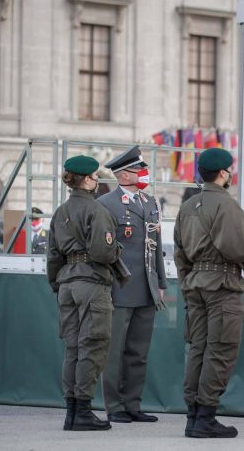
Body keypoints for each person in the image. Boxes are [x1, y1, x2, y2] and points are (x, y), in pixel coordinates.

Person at [174, 147, 244, 439]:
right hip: (222, 285)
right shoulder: (228, 206)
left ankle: (193, 415)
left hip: (196, 284)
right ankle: (206, 416)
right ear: (223, 173)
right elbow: (238, 249)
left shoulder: (187, 206)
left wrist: (188, 282)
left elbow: (180, 253)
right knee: (220, 350)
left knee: (198, 348)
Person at [46, 155, 121, 432]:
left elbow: (53, 256)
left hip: (67, 283)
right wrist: (115, 253)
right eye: (94, 176)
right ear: (87, 179)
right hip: (91, 282)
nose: (97, 180)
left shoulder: (60, 212)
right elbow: (103, 251)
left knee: (73, 347)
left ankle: (72, 413)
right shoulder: (96, 210)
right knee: (93, 345)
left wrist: (58, 283)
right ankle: (84, 411)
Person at [97, 145, 166, 424]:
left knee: (138, 351)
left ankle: (133, 403)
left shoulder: (149, 203)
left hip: (147, 287)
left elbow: (155, 245)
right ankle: (114, 406)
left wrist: (160, 281)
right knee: (115, 352)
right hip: (119, 287)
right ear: (123, 176)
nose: (143, 174)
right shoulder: (106, 204)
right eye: (138, 170)